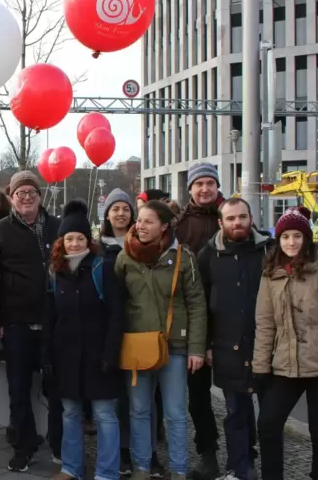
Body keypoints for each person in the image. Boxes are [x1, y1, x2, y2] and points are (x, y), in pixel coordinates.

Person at [114, 200, 207, 480]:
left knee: (176, 413)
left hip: (174, 345)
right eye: (139, 220)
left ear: (165, 225)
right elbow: (116, 302)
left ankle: (179, 470)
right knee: (139, 409)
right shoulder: (125, 257)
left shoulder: (182, 256)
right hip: (137, 344)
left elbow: (197, 305)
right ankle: (142, 467)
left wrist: (197, 349)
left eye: (148, 221)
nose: (140, 226)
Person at [0, 171, 60, 471]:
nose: (26, 197)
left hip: (54, 321)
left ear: (39, 196)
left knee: (57, 387)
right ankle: (23, 446)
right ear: (11, 197)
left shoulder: (57, 226)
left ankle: (59, 443)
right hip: (16, 321)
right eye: (20, 193)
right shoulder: (0, 230)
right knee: (18, 389)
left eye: (31, 192)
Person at [43, 200, 123, 480]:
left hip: (99, 356)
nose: (74, 244)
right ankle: (71, 468)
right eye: (69, 238)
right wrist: (47, 357)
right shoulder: (56, 273)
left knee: (104, 415)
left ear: (88, 239)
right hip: (65, 356)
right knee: (70, 414)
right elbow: (49, 319)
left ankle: (107, 472)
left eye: (79, 238)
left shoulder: (103, 268)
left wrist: (111, 354)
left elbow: (116, 315)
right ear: (61, 242)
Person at [197, 198, 272, 480]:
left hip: (266, 346)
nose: (237, 223)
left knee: (269, 418)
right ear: (221, 223)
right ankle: (240, 470)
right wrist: (204, 344)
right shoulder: (208, 256)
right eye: (230, 219)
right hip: (227, 347)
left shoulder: (268, 250)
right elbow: (200, 304)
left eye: (242, 217)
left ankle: (271, 471)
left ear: (251, 218)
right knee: (235, 414)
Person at [100, 189, 164, 477]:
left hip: (140, 329)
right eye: (115, 209)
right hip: (109, 330)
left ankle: (148, 454)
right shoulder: (96, 246)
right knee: (118, 398)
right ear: (107, 214)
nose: (121, 213)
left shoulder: (143, 244)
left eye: (126, 208)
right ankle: (123, 452)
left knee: (144, 400)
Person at [254, 206, 318, 480]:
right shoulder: (271, 274)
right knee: (267, 423)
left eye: (297, 236)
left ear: (307, 238)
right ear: (278, 240)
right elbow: (265, 323)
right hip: (285, 364)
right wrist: (260, 367)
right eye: (285, 237)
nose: (292, 242)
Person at [174, 162, 224, 480]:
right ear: (190, 188)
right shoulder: (179, 225)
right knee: (199, 396)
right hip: (194, 319)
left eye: (210, 183)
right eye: (199, 183)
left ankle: (245, 453)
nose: (205, 188)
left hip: (229, 318)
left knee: (240, 396)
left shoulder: (231, 217)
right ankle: (209, 454)